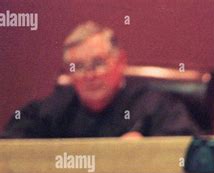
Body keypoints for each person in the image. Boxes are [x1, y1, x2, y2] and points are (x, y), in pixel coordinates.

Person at [1, 21, 199, 138]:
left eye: (98, 63)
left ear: (121, 61)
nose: (89, 75)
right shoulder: (57, 108)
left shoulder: (154, 104)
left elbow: (187, 147)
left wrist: (147, 150)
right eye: (77, 67)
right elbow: (12, 145)